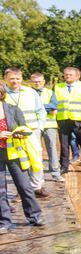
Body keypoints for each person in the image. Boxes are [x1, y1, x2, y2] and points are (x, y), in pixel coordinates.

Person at [0, 84, 44, 234]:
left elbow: (24, 129)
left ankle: (34, 216)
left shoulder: (12, 109)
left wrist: (18, 133)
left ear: (1, 93)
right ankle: (4, 222)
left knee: (24, 186)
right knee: (0, 191)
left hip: (14, 154)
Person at [4, 68, 49, 197]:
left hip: (32, 132)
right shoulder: (2, 94)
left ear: (22, 79)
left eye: (18, 78)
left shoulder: (30, 92)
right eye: (12, 78)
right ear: (6, 78)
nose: (15, 81)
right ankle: (22, 189)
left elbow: (41, 111)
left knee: (36, 159)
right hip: (12, 134)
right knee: (17, 161)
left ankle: (37, 187)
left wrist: (40, 127)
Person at [54, 66, 81, 175]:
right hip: (63, 120)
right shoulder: (57, 87)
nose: (67, 76)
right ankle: (64, 166)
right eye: (66, 74)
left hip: (80, 121)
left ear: (77, 76)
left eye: (70, 74)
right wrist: (55, 121)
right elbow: (53, 104)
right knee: (64, 146)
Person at [30, 72, 63, 182]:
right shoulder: (27, 93)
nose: (37, 83)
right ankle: (37, 176)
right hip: (33, 126)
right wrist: (47, 108)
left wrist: (38, 107)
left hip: (49, 125)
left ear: (43, 82)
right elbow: (28, 107)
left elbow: (54, 105)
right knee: (35, 150)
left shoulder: (50, 92)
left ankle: (55, 174)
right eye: (35, 82)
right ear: (31, 82)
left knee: (52, 149)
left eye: (39, 81)